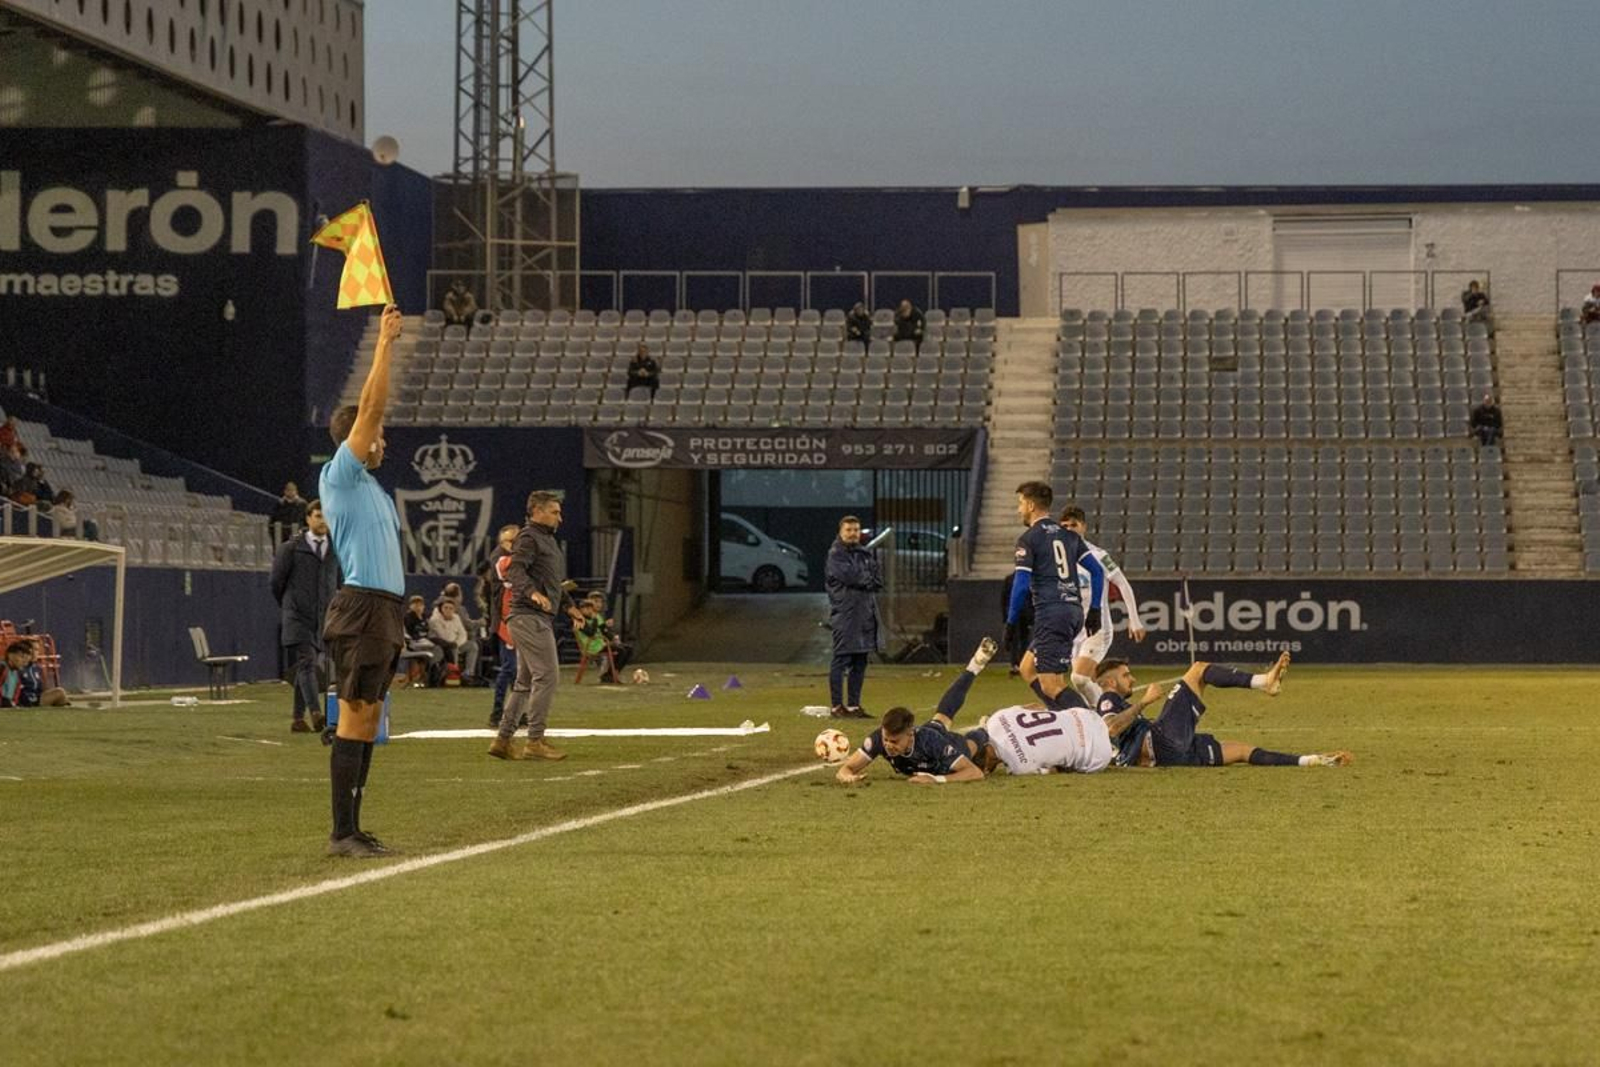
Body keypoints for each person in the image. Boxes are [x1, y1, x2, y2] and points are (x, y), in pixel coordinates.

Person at [318, 303, 406, 859]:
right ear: (358, 436)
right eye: (377, 433)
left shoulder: (371, 487)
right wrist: (383, 343)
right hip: (362, 609)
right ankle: (341, 833)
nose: (384, 439)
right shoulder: (341, 473)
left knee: (369, 720)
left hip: (385, 610)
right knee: (354, 718)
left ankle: (354, 827)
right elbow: (371, 406)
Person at [1092, 653, 1350, 768]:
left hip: (1171, 757)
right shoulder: (1107, 698)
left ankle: (1311, 760)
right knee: (1199, 670)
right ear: (1111, 682)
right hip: (1160, 742)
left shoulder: (1113, 700)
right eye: (1126, 676)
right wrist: (1144, 702)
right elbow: (1111, 727)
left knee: (1240, 751)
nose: (1133, 679)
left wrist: (1314, 760)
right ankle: (1264, 682)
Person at [489, 490, 580, 762]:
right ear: (537, 511)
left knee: (524, 682)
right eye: (554, 512)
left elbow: (550, 581)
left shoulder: (545, 540)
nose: (560, 518)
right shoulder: (529, 537)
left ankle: (503, 740)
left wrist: (569, 604)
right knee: (547, 676)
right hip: (530, 617)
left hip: (531, 617)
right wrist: (531, 593)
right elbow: (514, 571)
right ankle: (535, 740)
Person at [834, 638, 1001, 785]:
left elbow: (974, 773)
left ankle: (983, 728)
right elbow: (846, 768)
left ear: (910, 733)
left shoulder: (932, 743)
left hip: (945, 747)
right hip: (931, 731)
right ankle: (974, 666)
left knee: (971, 745)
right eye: (887, 740)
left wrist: (936, 780)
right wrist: (848, 777)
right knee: (942, 716)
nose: (888, 746)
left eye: (894, 741)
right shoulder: (879, 739)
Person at [1006, 481, 1104, 709]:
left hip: (1052, 614)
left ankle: (1090, 728)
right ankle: (1060, 717)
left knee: (1051, 685)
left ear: (1030, 505)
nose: (1019, 509)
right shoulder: (1069, 536)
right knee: (1027, 668)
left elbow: (1021, 586)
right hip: (1073, 611)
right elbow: (1097, 572)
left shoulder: (1029, 539)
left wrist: (1010, 622)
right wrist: (1095, 610)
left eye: (1020, 503)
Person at [1059, 505, 1146, 703]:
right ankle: (1104, 720)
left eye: (1074, 525)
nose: (1069, 529)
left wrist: (1134, 620)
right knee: (1086, 684)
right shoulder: (1059, 559)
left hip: (1098, 628)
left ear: (1084, 527)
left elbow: (1123, 584)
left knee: (1079, 679)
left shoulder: (1098, 555)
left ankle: (1109, 715)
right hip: (1073, 630)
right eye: (1065, 526)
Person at [270, 499, 341, 733]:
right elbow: (276, 583)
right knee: (308, 662)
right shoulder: (290, 548)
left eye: (326, 516)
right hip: (298, 616)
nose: (323, 521)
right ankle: (316, 713)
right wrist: (290, 606)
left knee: (305, 666)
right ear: (308, 518)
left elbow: (338, 583)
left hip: (322, 618)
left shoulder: (336, 550)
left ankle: (297, 719)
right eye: (319, 516)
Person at [825, 515, 883, 719]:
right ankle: (836, 706)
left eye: (856, 530)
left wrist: (863, 578)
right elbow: (851, 577)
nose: (853, 534)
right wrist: (864, 578)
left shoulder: (864, 553)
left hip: (865, 614)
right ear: (840, 532)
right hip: (846, 614)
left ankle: (853, 705)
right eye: (849, 530)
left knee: (860, 660)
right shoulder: (836, 554)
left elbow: (877, 579)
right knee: (841, 659)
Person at [482, 524, 521, 727]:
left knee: (518, 670)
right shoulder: (501, 558)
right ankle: (497, 713)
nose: (515, 545)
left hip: (516, 620)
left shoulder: (511, 556)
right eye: (511, 541)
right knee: (510, 669)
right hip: (506, 621)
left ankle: (515, 712)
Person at [1, 640, 69, 707]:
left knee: (60, 693)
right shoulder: (4, 668)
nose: (23, 661)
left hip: (16, 702)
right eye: (21, 656)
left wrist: (13, 703)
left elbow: (16, 693)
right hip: (24, 701)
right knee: (60, 692)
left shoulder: (20, 671)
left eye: (37, 650)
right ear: (10, 655)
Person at [428, 598, 476, 683]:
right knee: (452, 648)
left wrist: (457, 643)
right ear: (441, 609)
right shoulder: (434, 620)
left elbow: (463, 634)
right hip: (443, 646)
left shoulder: (456, 618)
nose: (448, 610)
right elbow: (444, 636)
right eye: (445, 608)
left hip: (455, 644)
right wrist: (454, 644)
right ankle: (454, 674)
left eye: (451, 608)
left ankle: (468, 673)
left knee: (472, 646)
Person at [403, 595, 444, 685]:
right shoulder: (408, 617)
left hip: (426, 642)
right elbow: (409, 633)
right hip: (414, 643)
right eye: (415, 605)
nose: (418, 607)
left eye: (420, 605)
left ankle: (431, 670)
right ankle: (423, 676)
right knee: (425, 653)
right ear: (411, 606)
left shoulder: (425, 617)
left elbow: (429, 631)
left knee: (438, 649)